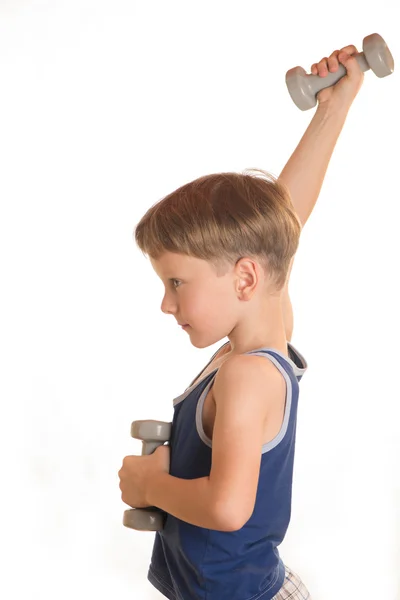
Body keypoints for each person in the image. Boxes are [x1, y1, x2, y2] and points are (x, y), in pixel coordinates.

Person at [118, 44, 364, 599]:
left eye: (177, 283)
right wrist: (334, 107)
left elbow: (228, 508)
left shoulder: (247, 374)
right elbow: (283, 224)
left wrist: (152, 483)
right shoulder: (258, 336)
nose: (165, 304)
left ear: (246, 281)